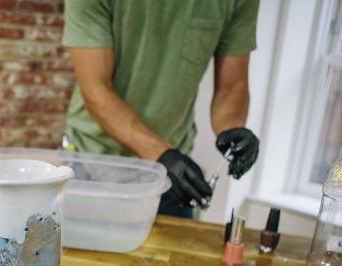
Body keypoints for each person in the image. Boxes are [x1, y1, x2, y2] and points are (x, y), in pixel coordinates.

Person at [62, 0, 260, 218]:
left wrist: (232, 128)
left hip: (171, 176)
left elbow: (232, 86)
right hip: (92, 164)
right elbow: (96, 90)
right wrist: (161, 155)